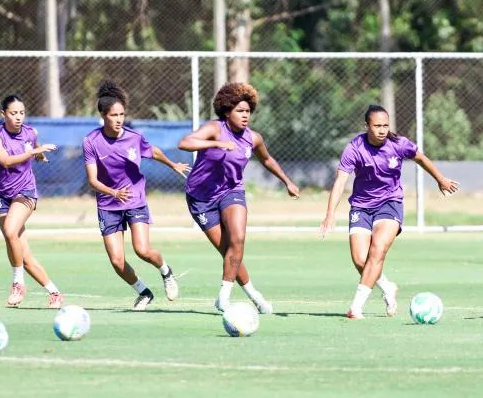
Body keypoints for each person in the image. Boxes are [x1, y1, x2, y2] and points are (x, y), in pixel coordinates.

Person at [320, 104, 460, 319]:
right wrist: (330, 213)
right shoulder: (354, 148)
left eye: (385, 125)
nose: (382, 130)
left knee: (378, 249)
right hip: (361, 206)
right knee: (360, 260)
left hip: (390, 203)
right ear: (367, 125)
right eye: (377, 125)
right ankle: (387, 287)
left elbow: (420, 158)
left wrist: (440, 180)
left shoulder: (398, 144)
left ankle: (356, 307)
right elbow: (340, 181)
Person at [178, 82, 301, 313]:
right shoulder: (215, 128)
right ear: (227, 112)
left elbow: (267, 160)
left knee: (238, 239)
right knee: (228, 250)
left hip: (231, 191)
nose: (245, 116)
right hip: (200, 199)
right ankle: (254, 294)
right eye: (240, 111)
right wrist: (216, 143)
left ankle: (223, 297)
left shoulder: (253, 138)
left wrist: (288, 181)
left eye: (248, 111)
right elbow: (184, 143)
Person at [83, 80, 189, 311]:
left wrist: (173, 165)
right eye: (114, 115)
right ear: (103, 115)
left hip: (134, 200)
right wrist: (113, 192)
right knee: (117, 261)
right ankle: (144, 291)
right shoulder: (91, 141)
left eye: (122, 114)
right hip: (108, 204)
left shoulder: (133, 137)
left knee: (142, 250)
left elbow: (154, 151)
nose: (119, 119)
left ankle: (166, 271)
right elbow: (93, 180)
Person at [0, 94, 64, 308]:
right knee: (22, 252)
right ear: (3, 114)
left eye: (21, 112)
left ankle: (18, 284)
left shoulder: (30, 132)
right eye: (13, 113)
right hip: (0, 194)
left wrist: (39, 154)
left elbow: (33, 145)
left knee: (10, 232)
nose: (18, 117)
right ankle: (54, 292)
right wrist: (34, 152)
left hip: (25, 191)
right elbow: (4, 161)